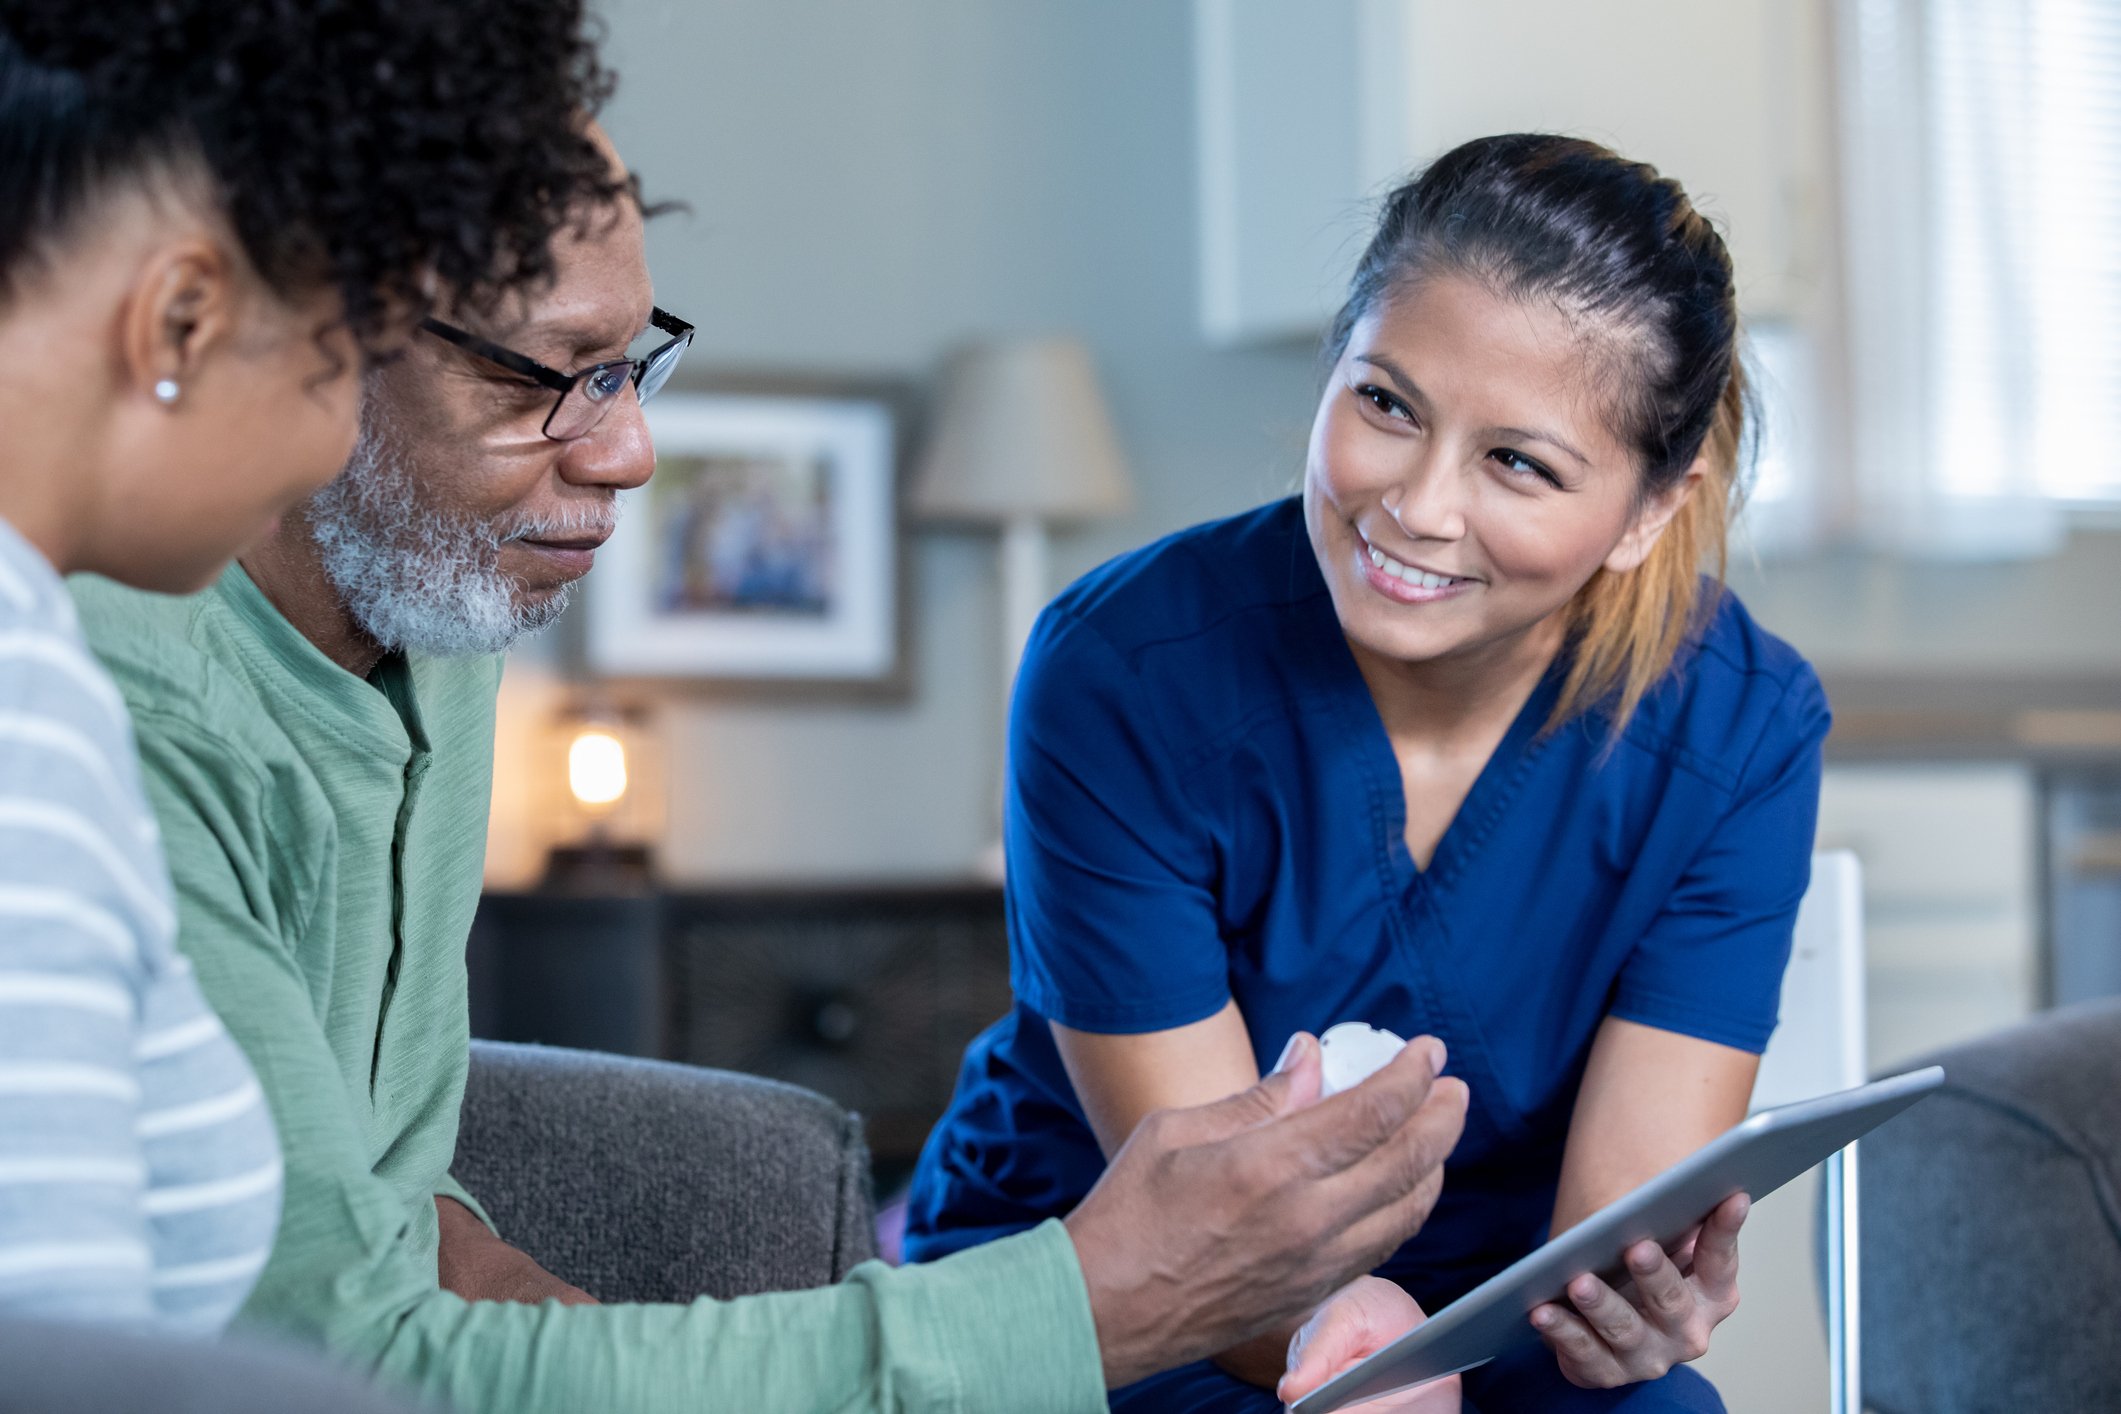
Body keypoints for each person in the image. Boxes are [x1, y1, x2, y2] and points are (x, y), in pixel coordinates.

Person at [70, 112, 1472, 1409]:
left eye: (627, 366)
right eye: (546, 376)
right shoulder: (119, 715)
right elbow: (338, 1355)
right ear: (302, 337)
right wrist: (1089, 1303)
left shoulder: (442, 607)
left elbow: (403, 1206)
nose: (628, 449)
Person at [903, 133, 1832, 1414]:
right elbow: (1204, 1246)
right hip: (1122, 1307)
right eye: (1386, 404)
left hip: (1490, 1314)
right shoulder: (1123, 669)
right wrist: (1361, 1339)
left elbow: (1611, 1232)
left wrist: (1634, 1312)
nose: (1415, 506)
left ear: (1648, 513)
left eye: (1519, 462)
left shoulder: (1741, 724)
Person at [0, 0, 630, 1332]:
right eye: (334, 352)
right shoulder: (43, 713)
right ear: (179, 321)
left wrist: (464, 1249)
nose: (328, 445)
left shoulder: (429, 637)